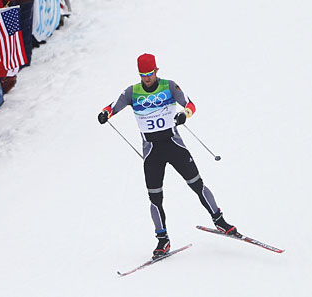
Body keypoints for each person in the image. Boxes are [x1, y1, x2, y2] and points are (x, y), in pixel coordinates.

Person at [98, 53, 238, 258]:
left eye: (150, 73)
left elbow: (190, 105)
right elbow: (112, 106)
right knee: (155, 198)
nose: (147, 78)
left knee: (197, 185)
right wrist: (105, 114)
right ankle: (162, 240)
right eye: (143, 74)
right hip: (152, 152)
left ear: (156, 70)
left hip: (174, 146)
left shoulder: (169, 86)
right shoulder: (132, 92)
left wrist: (184, 115)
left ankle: (220, 221)